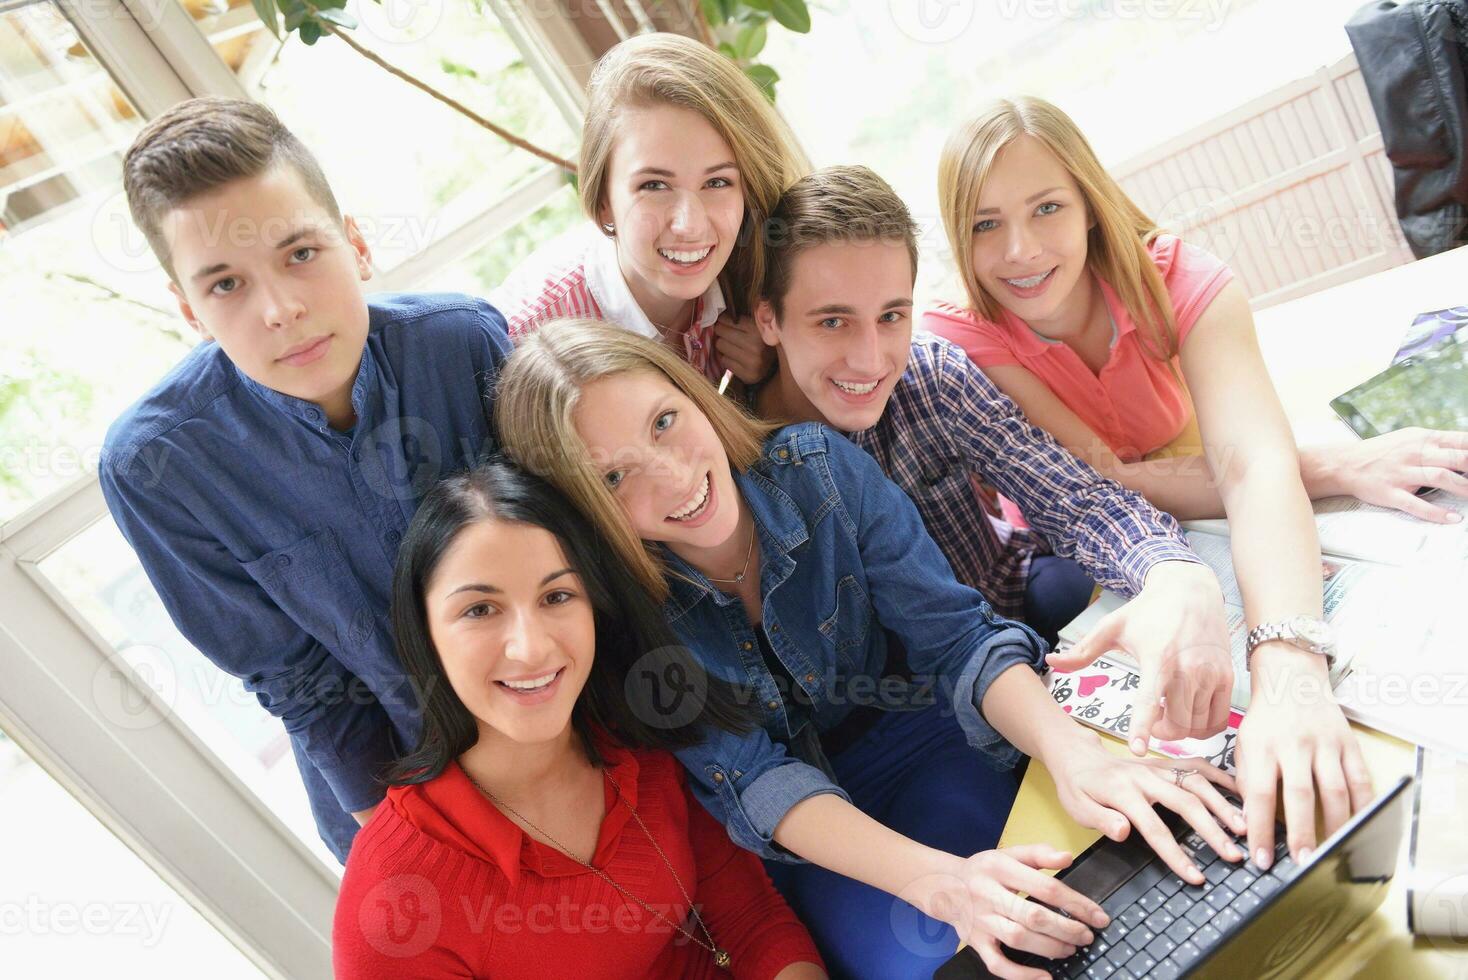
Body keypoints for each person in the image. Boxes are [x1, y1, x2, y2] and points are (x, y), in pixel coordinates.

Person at [494, 319, 1244, 979]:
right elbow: (756, 782)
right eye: (615, 476)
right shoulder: (620, 620)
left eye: (664, 421)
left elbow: (958, 640)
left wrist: (1074, 752)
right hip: (818, 836)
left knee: (1109, 870)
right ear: (583, 509)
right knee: (950, 958)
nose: (673, 475)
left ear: (693, 394)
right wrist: (941, 883)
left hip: (930, 737)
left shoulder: (818, 468)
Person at [926, 96, 1411, 874]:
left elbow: (1251, 463)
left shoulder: (1181, 278)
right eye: (985, 224)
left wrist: (1291, 669)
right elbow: (1108, 484)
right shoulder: (963, 337)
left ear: (1089, 202)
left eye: (1046, 207)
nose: (1019, 250)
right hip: (1088, 556)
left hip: (1201, 507)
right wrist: (1325, 465)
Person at [100, 96, 510, 862]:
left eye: (300, 254)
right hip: (399, 801)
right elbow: (299, 684)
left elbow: (573, 553)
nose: (282, 309)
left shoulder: (463, 345)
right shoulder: (157, 470)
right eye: (225, 285)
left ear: (355, 245)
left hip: (586, 729)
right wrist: (430, 853)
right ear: (189, 309)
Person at [748, 165, 1237, 753]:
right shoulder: (741, 460)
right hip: (898, 700)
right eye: (832, 321)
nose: (871, 359)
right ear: (768, 319)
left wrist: (1172, 574)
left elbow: (1079, 501)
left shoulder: (931, 376)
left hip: (1010, 592)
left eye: (890, 316)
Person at [333, 459, 826, 979]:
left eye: (557, 596)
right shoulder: (394, 901)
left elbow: (751, 923)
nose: (530, 649)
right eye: (480, 609)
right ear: (425, 633)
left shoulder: (644, 738)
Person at [491, 31, 807, 387]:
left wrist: (770, 372)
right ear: (604, 202)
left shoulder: (753, 270)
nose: (689, 225)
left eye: (717, 183)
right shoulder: (529, 346)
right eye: (654, 186)